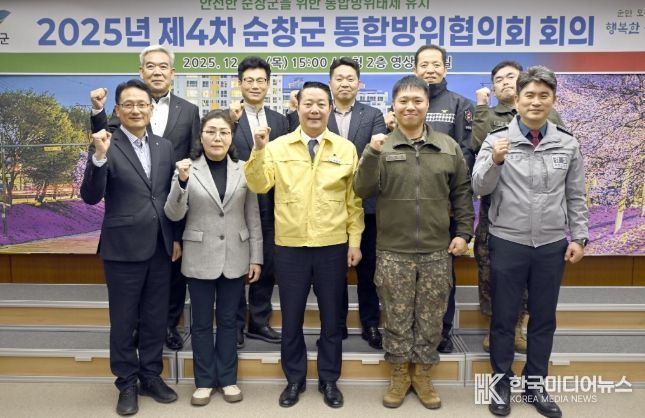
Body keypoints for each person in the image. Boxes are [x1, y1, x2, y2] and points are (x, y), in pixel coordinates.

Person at [472, 66, 588, 418]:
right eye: (529, 95)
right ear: (518, 100)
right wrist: (495, 161)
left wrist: (579, 236)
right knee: (504, 319)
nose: (536, 102)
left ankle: (535, 384)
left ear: (552, 100)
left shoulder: (567, 143)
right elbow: (479, 186)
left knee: (543, 319)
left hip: (551, 245)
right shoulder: (497, 140)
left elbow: (575, 195)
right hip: (508, 241)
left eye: (543, 96)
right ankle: (501, 384)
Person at [354, 75, 473, 410]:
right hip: (393, 251)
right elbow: (361, 189)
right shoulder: (381, 146)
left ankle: (421, 373)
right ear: (393, 105)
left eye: (417, 101)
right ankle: (398, 374)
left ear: (427, 105)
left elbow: (462, 193)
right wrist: (372, 153)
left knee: (432, 318)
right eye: (403, 101)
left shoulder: (447, 146)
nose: (410, 107)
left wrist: (463, 233)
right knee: (395, 317)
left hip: (437, 250)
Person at [244, 81, 364, 409]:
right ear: (297, 107)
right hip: (290, 247)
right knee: (292, 318)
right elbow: (258, 184)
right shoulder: (277, 147)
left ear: (329, 108)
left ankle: (329, 379)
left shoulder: (345, 148)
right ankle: (294, 379)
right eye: (308, 103)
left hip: (332, 246)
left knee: (332, 320)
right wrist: (258, 150)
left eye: (321, 104)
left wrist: (354, 241)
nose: (314, 110)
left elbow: (354, 201)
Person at [90, 44, 200, 351]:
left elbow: (194, 151)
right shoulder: (129, 105)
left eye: (163, 66)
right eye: (150, 66)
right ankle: (137, 337)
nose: (157, 71)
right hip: (130, 222)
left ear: (172, 73)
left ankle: (168, 326)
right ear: (141, 71)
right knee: (130, 303)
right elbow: (105, 140)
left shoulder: (189, 111)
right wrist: (97, 113)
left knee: (170, 281)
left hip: (171, 208)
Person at [81, 79, 178, 416]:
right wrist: (99, 157)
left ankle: (151, 375)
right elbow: (90, 196)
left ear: (151, 108)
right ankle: (126, 382)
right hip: (122, 248)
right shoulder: (107, 142)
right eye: (129, 105)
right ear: (118, 110)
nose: (136, 110)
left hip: (160, 247)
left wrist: (175, 238)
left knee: (155, 317)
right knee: (123, 320)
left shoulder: (165, 146)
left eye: (142, 104)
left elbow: (168, 196)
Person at [164, 109, 262, 406]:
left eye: (224, 132)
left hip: (236, 255)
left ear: (231, 137)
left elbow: (253, 216)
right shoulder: (186, 168)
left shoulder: (244, 169)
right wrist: (181, 182)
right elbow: (173, 214)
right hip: (199, 256)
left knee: (230, 321)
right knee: (202, 323)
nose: (217, 137)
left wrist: (256, 257)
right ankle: (204, 382)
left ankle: (228, 379)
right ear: (201, 136)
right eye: (211, 132)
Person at [288, 57, 387, 349]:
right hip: (323, 206)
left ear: (359, 83)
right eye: (339, 78)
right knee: (333, 273)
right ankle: (337, 323)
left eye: (350, 78)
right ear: (330, 82)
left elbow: (376, 155)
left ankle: (370, 323)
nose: (345, 83)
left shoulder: (373, 114)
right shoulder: (319, 111)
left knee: (368, 269)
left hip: (365, 205)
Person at [471, 60, 565, 353]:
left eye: (510, 77)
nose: (505, 82)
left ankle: (518, 327)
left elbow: (561, 152)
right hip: (497, 205)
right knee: (491, 268)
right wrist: (482, 108)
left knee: (528, 274)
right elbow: (476, 144)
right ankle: (495, 325)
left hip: (538, 210)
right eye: (498, 79)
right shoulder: (490, 116)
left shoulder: (548, 114)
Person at [413, 44, 475, 353]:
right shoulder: (407, 101)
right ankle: (410, 329)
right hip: (407, 206)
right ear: (415, 69)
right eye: (424, 64)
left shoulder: (460, 104)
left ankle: (443, 330)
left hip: (444, 205)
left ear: (445, 68)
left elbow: (466, 153)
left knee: (442, 275)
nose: (430, 70)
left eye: (436, 64)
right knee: (407, 273)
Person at [231, 56, 289, 349]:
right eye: (249, 80)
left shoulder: (280, 120)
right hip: (236, 200)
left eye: (261, 80)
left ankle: (259, 321)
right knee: (236, 265)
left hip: (272, 200)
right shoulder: (228, 117)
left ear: (268, 84)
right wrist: (231, 122)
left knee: (267, 262)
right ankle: (235, 324)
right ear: (240, 84)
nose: (255, 85)